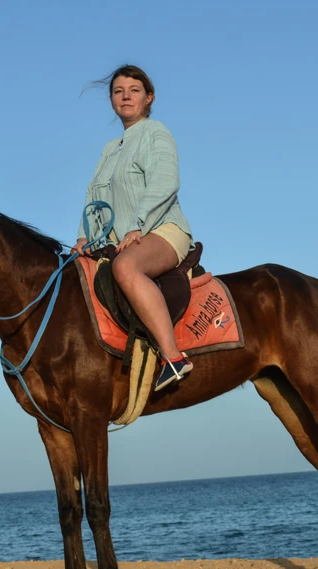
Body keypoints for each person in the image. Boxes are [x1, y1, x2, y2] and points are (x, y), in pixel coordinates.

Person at [75, 65, 196, 392]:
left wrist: (138, 225)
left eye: (134, 90)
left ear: (148, 97)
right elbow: (94, 197)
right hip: (122, 238)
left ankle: (173, 357)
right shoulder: (109, 149)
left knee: (126, 267)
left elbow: (165, 182)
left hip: (162, 230)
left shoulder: (156, 132)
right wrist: (83, 237)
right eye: (118, 91)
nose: (125, 96)